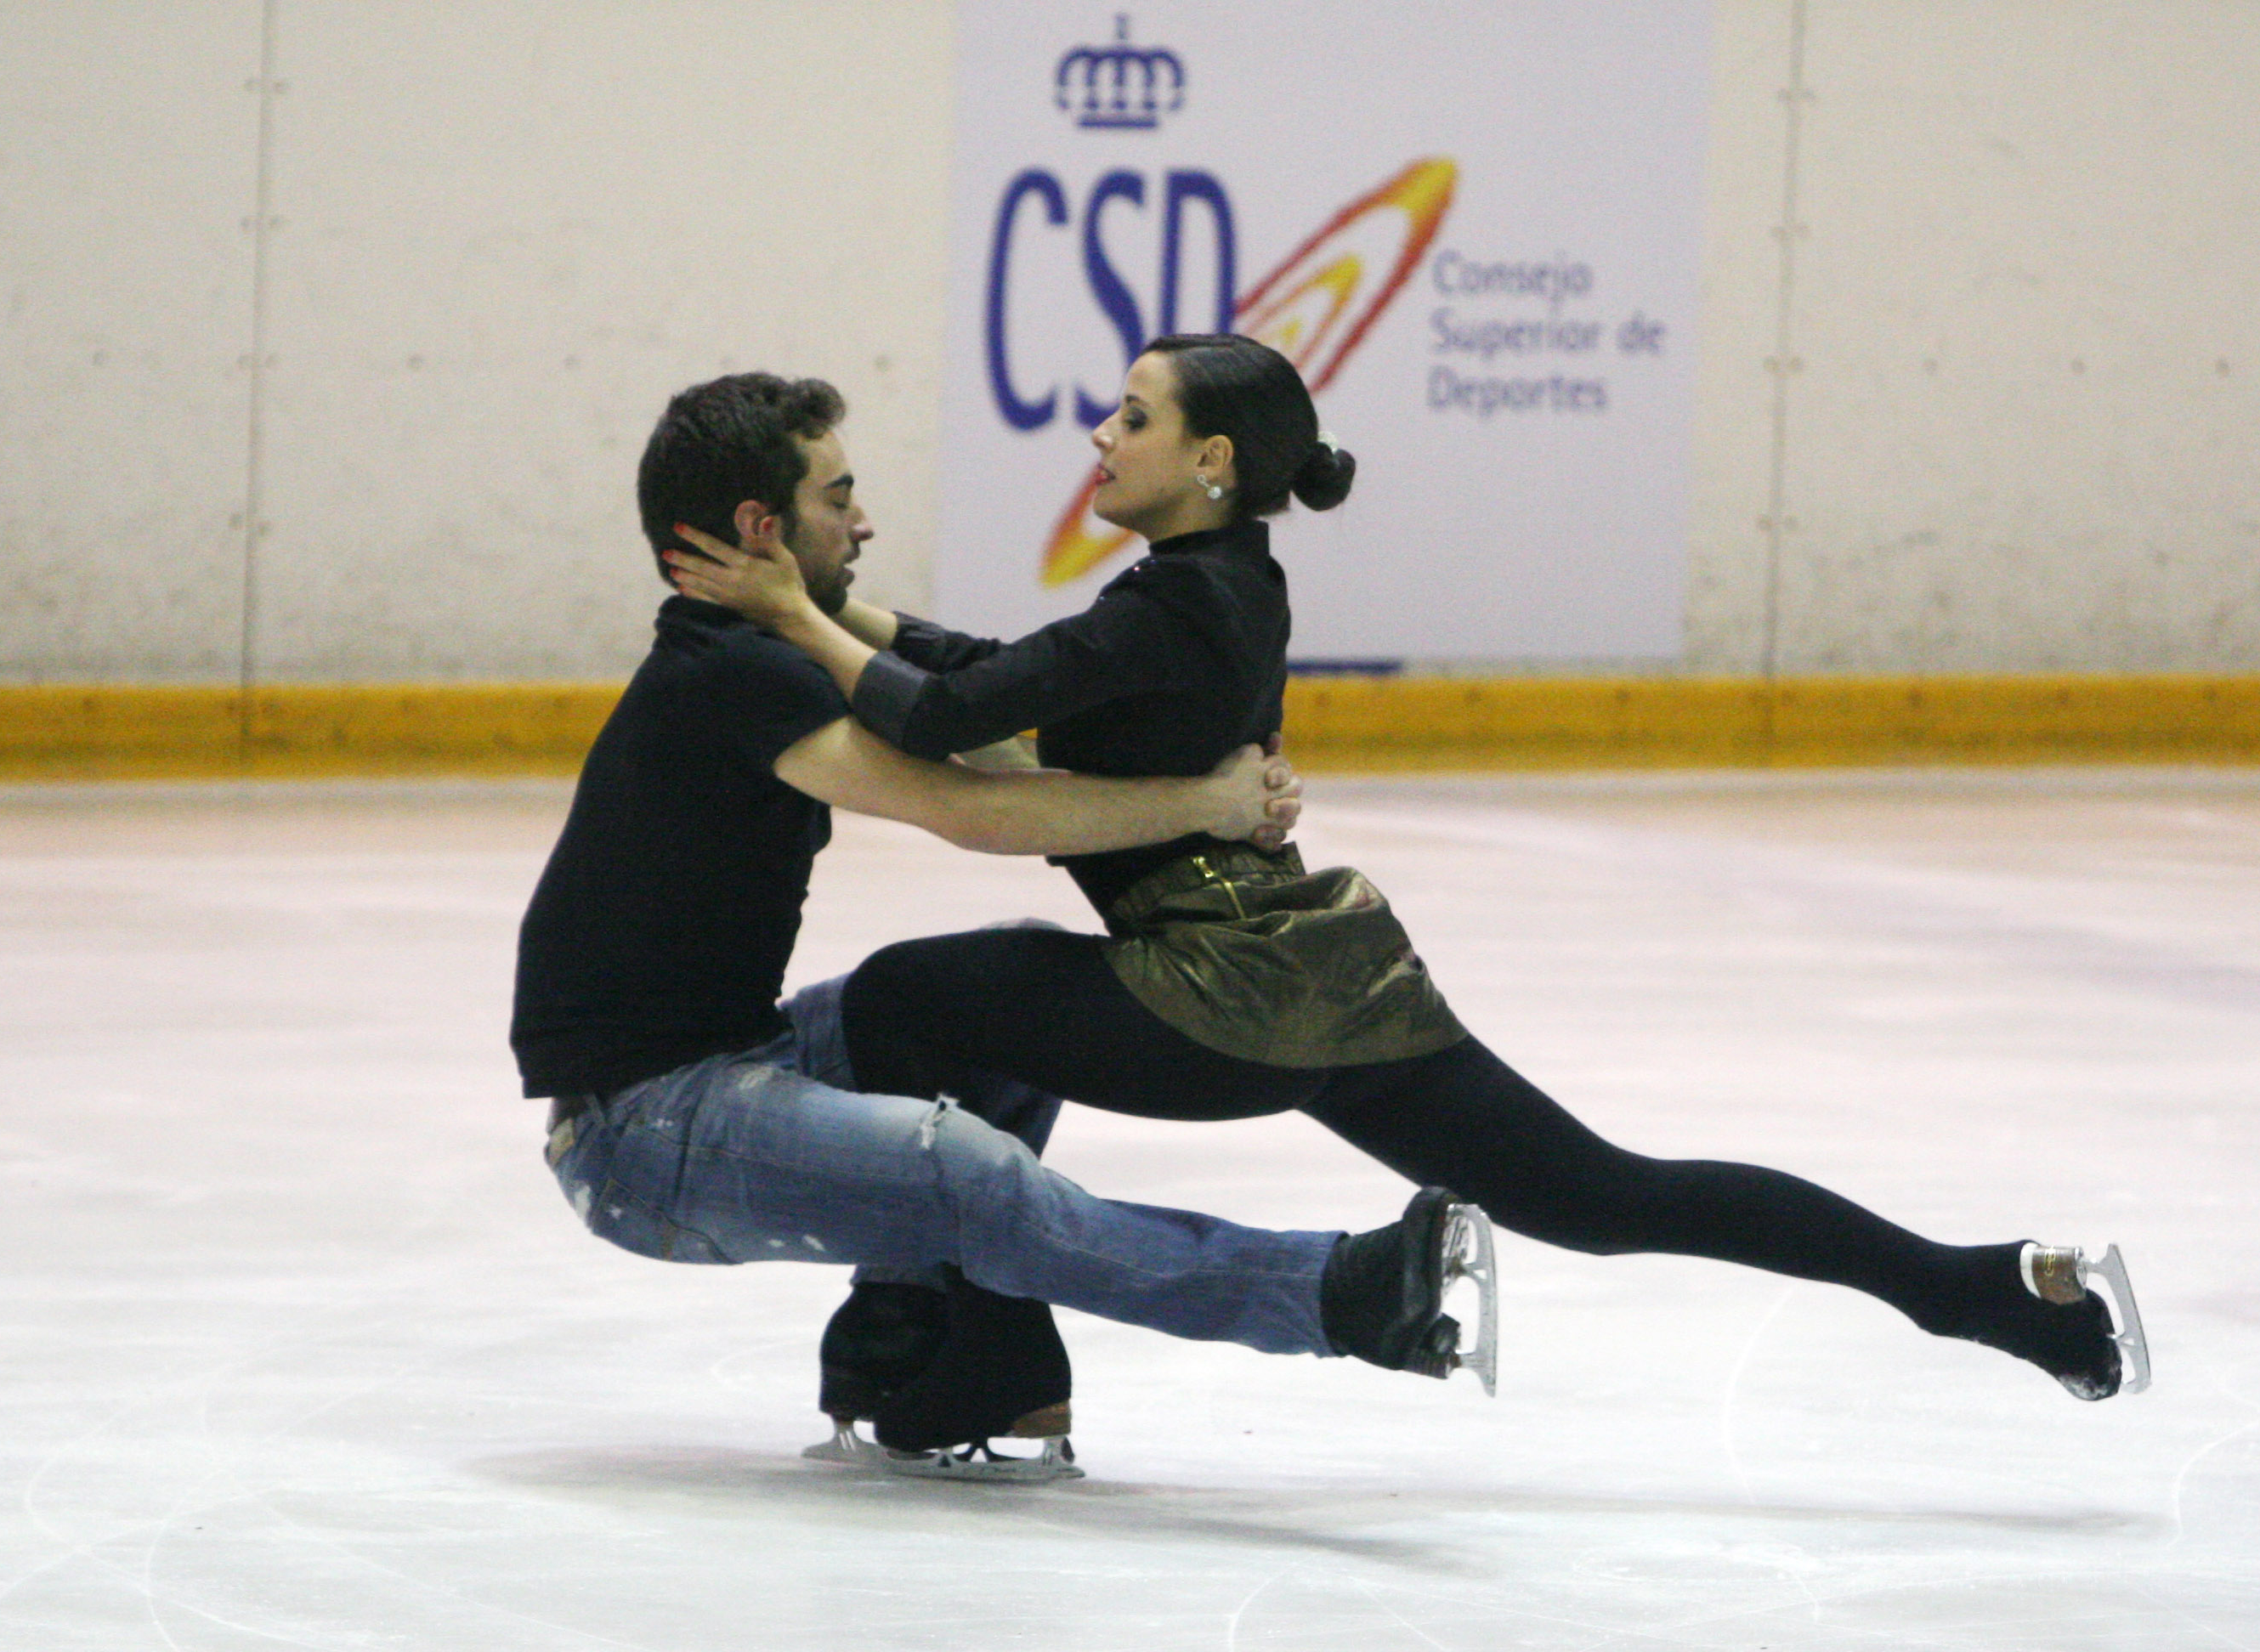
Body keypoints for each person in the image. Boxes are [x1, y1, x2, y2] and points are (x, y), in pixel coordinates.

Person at [662, 335, 2152, 1406]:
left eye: (1133, 418)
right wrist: (840, 614)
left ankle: (960, 1357)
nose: (1100, 437)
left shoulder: (1172, 606)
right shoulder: (1208, 586)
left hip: (1212, 987)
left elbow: (940, 716)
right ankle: (1982, 1290)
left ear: (1211, 461)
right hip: (1315, 965)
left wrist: (792, 613)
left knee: (911, 1000)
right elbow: (994, 670)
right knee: (1607, 1195)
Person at [513, 371, 1501, 1483]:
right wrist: (1205, 805)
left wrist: (1206, 796)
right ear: (762, 527)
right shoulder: (730, 674)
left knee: (984, 1006)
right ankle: (1335, 1295)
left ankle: (901, 1340)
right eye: (837, 497)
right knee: (963, 1173)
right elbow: (970, 810)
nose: (863, 520)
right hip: (643, 1133)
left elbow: (990, 739)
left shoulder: (771, 650)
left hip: (737, 1061)